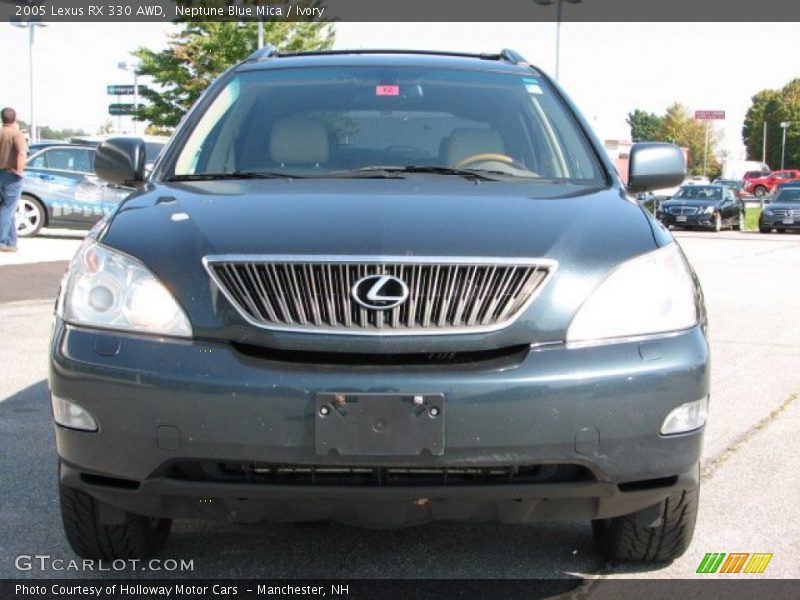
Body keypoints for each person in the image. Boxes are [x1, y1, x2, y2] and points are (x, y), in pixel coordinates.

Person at [0, 107, 27, 252]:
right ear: (15, 118)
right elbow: (22, 153)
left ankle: (11, 242)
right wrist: (19, 170)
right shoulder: (16, 134)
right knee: (8, 209)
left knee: (6, 210)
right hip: (11, 175)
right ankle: (2, 241)